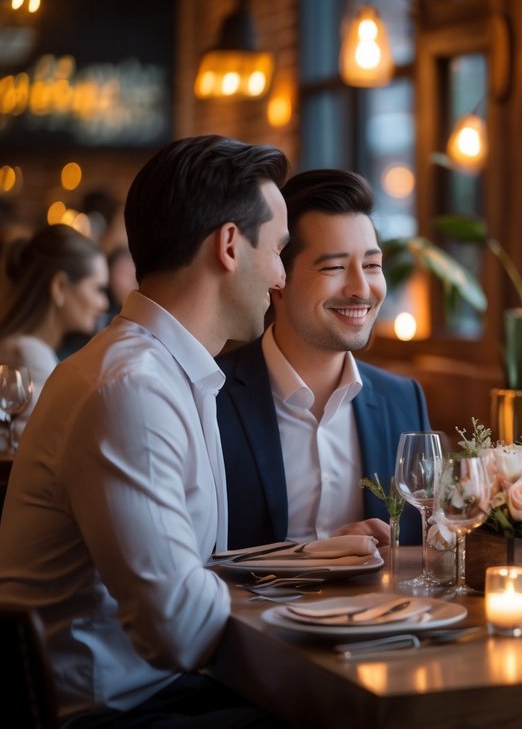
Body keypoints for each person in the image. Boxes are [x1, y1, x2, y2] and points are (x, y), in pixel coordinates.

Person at [0, 135, 290, 726]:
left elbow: (199, 574)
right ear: (229, 246)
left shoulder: (168, 370)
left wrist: (307, 557)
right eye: (279, 250)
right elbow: (181, 632)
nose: (281, 277)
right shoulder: (130, 388)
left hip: (162, 693)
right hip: (109, 713)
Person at [217, 169, 430, 549]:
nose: (361, 289)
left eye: (372, 265)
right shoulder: (212, 394)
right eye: (334, 267)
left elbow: (424, 547)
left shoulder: (404, 400)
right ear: (278, 278)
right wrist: (315, 556)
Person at [0, 225, 109, 437]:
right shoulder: (28, 354)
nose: (104, 303)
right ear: (59, 286)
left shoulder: (17, 347)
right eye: (98, 289)